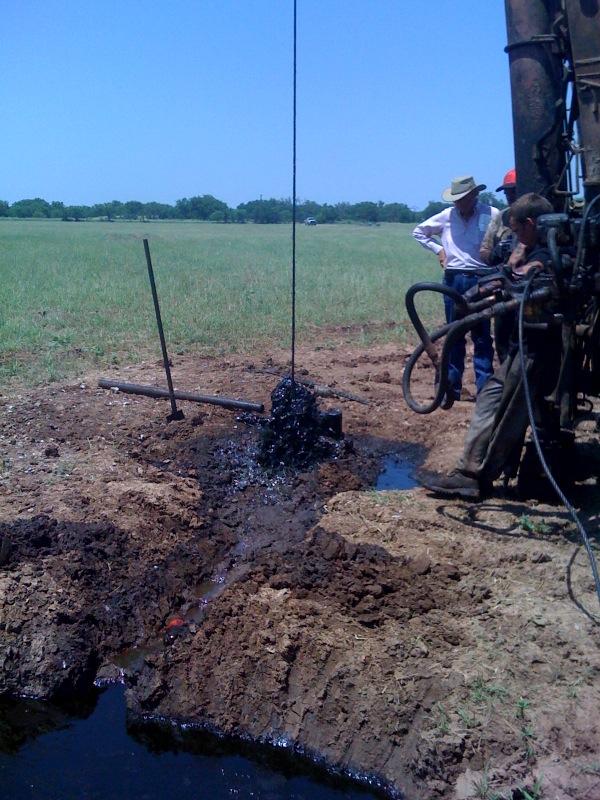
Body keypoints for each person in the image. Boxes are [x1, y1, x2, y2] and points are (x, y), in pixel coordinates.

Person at [421, 193, 556, 500]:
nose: (515, 235)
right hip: (518, 347)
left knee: (511, 411)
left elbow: (524, 274)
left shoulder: (551, 255)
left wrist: (503, 278)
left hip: (539, 353)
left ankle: (480, 477)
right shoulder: (528, 245)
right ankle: (467, 470)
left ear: (531, 224)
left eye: (518, 228)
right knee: (490, 399)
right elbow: (504, 268)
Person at [412, 176, 500, 403]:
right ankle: (451, 388)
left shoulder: (492, 214)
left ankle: (485, 391)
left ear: (474, 196)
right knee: (455, 334)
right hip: (454, 280)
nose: (458, 203)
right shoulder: (446, 216)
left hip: (483, 279)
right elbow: (419, 232)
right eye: (456, 200)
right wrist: (439, 250)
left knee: (481, 337)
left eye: (463, 199)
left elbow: (505, 240)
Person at [481, 169, 518, 364]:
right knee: (503, 338)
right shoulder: (501, 218)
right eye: (507, 192)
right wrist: (496, 256)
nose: (511, 196)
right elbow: (485, 250)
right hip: (505, 289)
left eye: (514, 191)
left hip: (531, 289)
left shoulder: (540, 217)